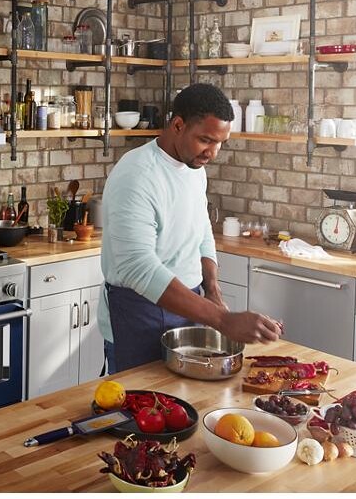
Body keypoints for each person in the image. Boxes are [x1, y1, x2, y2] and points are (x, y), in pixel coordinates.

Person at [97, 83, 282, 374]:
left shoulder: (195, 169)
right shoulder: (137, 175)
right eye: (206, 140)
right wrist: (222, 320)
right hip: (138, 313)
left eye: (221, 142)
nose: (213, 152)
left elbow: (201, 227)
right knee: (138, 413)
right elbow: (138, 269)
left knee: (187, 407)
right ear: (178, 125)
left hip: (190, 308)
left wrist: (212, 288)